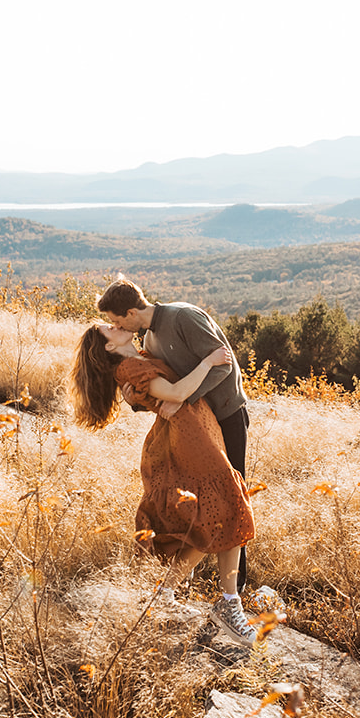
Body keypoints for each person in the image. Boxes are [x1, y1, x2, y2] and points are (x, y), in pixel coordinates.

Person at [70, 321, 259, 644]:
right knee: (221, 512)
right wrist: (209, 361)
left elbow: (162, 392)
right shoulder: (129, 367)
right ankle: (216, 601)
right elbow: (176, 393)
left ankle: (198, 597)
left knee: (225, 511)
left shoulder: (139, 357)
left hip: (198, 429)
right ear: (108, 347)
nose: (115, 325)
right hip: (188, 437)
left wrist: (140, 400)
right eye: (108, 328)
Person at [96, 276, 256, 589]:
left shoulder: (184, 317)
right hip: (196, 426)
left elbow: (224, 364)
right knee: (202, 500)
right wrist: (137, 403)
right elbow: (164, 388)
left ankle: (237, 586)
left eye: (116, 320)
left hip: (226, 414)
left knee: (232, 495)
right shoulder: (149, 339)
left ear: (130, 312)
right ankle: (189, 571)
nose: (116, 325)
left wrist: (185, 399)